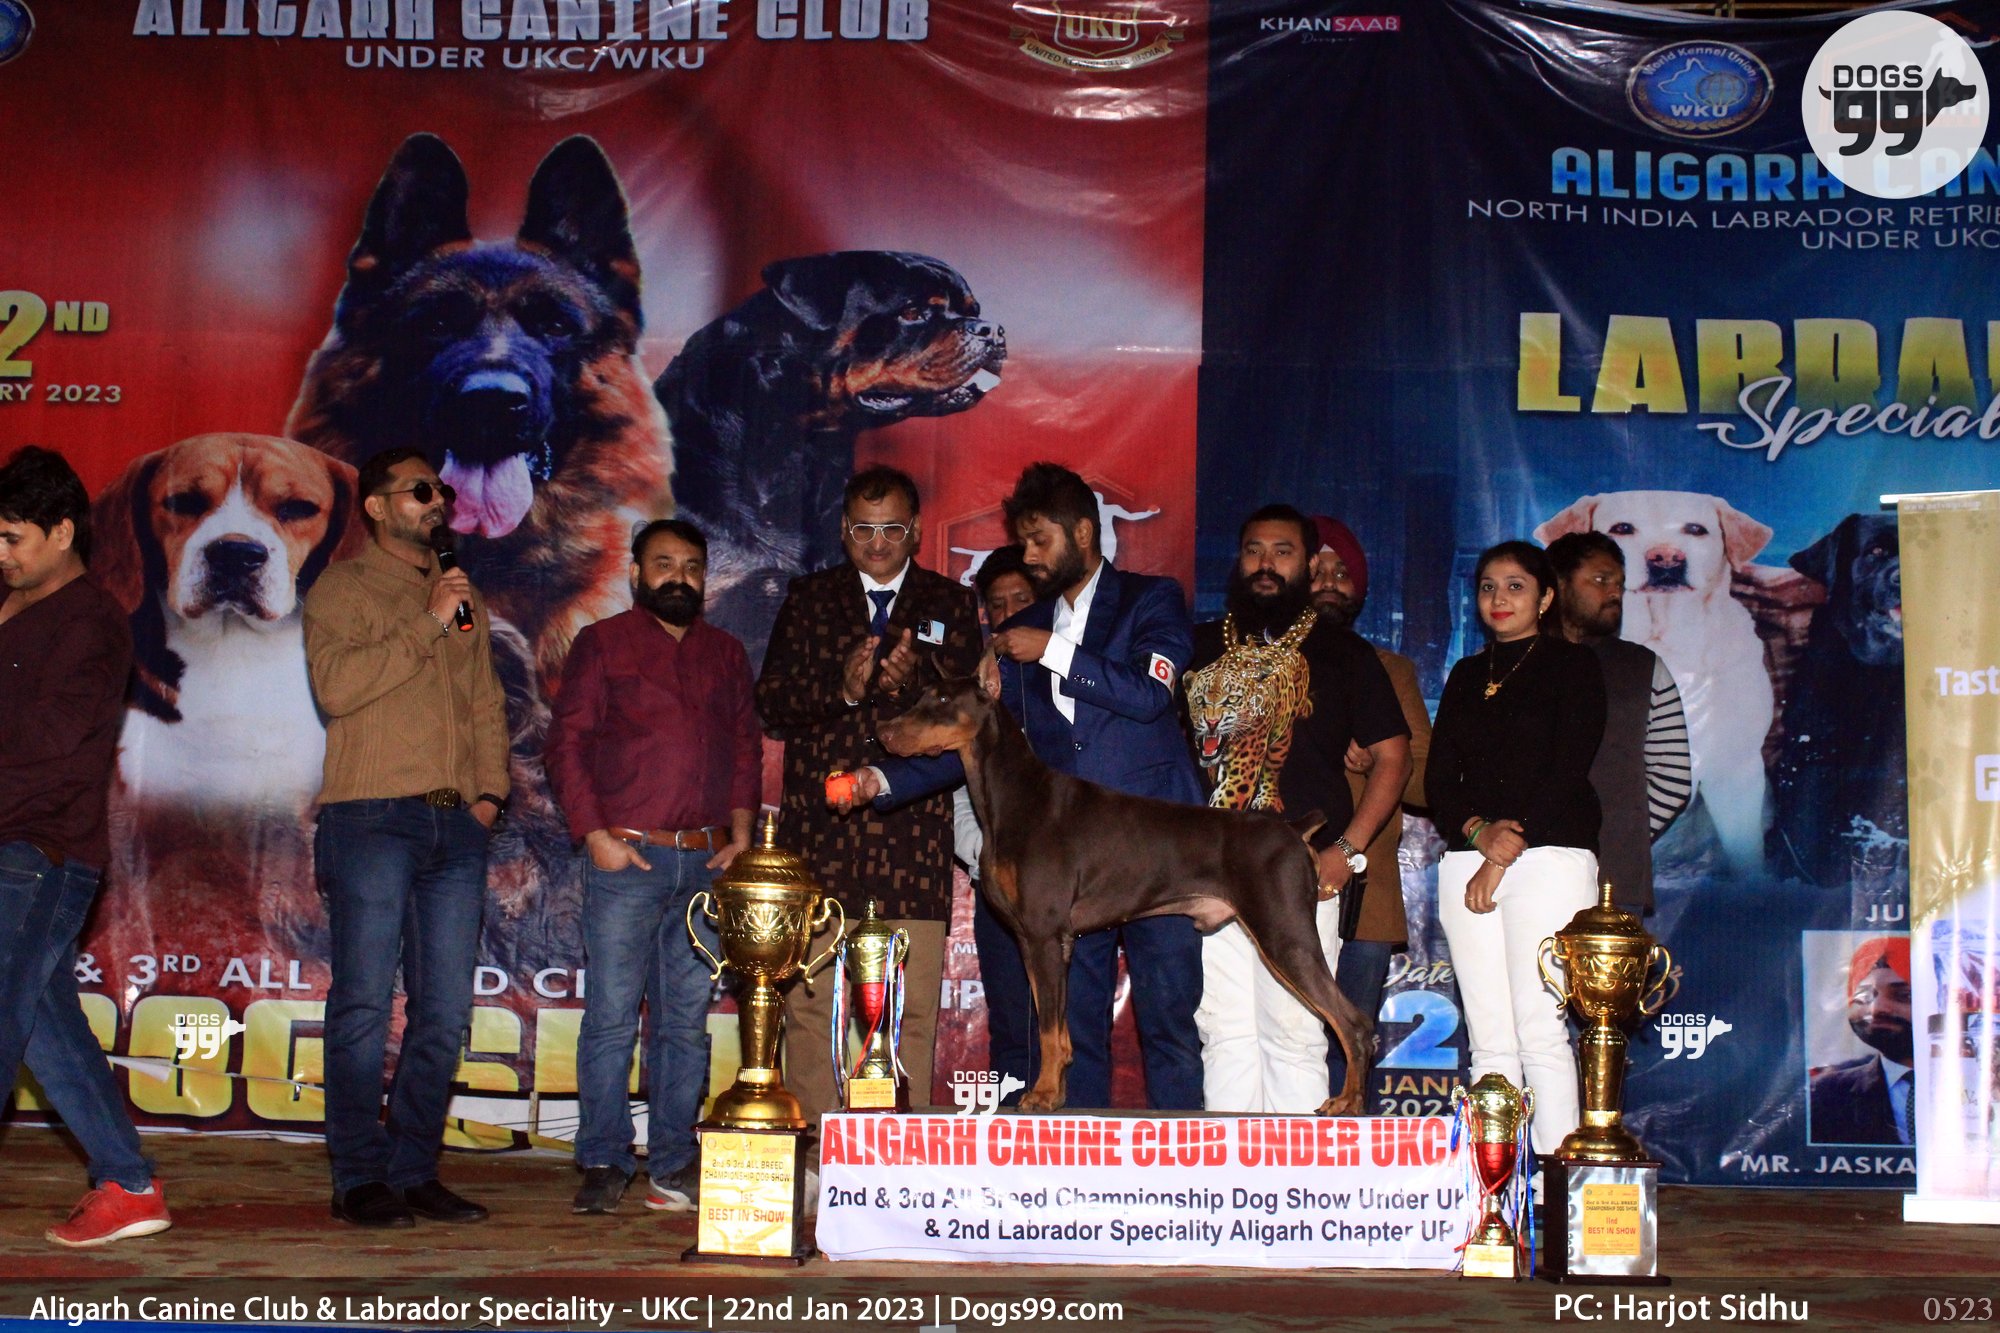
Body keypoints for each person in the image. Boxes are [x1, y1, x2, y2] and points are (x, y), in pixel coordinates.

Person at [848, 462, 1207, 1110]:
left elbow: (1150, 695)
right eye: (1024, 541)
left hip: (1158, 851)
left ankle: (1184, 1169)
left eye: (1040, 540)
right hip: (1066, 863)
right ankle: (1078, 1165)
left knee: (1170, 1030)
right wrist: (883, 776)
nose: (1030, 556)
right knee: (1077, 1034)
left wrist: (1053, 651)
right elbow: (977, 735)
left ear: (1083, 532)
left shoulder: (1151, 599)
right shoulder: (1019, 635)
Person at [303, 448, 510, 1228]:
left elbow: (484, 699)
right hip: (371, 818)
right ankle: (359, 1174)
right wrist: (427, 623)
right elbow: (338, 688)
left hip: (456, 826)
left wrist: (490, 794)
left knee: (445, 1011)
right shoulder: (342, 587)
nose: (438, 500)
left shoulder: (460, 595)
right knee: (363, 1002)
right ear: (378, 506)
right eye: (420, 490)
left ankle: (412, 1166)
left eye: (442, 490)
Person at [754, 467, 981, 1121]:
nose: (877, 543)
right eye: (863, 529)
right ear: (843, 529)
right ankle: (820, 1151)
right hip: (819, 837)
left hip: (912, 840)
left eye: (891, 529)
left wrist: (908, 688)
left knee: (909, 1013)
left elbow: (967, 716)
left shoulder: (949, 604)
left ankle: (899, 1154)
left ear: (915, 530)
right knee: (810, 1007)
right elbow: (771, 702)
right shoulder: (809, 598)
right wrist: (844, 690)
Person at [546, 519, 759, 1215]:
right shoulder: (603, 642)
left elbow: (745, 748)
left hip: (705, 863)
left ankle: (673, 1161)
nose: (679, 577)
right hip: (627, 858)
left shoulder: (725, 653)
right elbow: (568, 744)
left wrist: (740, 836)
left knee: (684, 1025)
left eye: (692, 566)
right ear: (636, 573)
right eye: (664, 564)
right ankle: (603, 1158)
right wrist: (595, 835)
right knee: (612, 1018)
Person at [0, 447, 172, 1248]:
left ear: (62, 531)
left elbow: (49, 746)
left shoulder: (91, 621)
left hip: (37, 850)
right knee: (42, 1022)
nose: (0, 554)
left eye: (12, 537)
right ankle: (128, 1183)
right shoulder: (9, 606)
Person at [1184, 505, 1410, 1112]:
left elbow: (1394, 759)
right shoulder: (1199, 645)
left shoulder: (1343, 652)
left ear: (1308, 565)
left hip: (1297, 865)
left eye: (1282, 552)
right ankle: (1232, 1170)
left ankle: (1298, 1172)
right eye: (1253, 550)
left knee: (1292, 1029)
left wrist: (1347, 851)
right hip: (1208, 865)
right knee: (1222, 1030)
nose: (1265, 564)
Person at [1427, 540, 1606, 1155]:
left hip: (1548, 857)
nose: (1499, 599)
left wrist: (1505, 846)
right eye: (1487, 587)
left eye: (1515, 586)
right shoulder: (1466, 675)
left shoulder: (1573, 666)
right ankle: (1493, 1191)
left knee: (1540, 1032)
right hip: (1467, 857)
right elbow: (1438, 781)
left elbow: (1568, 768)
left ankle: (1556, 1186)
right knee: (1489, 1040)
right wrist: (1479, 834)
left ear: (1546, 597)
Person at [1309, 516, 1431, 1099]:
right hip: (1273, 881)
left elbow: (1426, 781)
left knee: (1348, 1049)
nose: (1329, 583)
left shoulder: (1390, 670)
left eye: (1343, 573)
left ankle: (1348, 1154)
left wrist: (1377, 761)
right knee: (1270, 1039)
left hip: (1363, 891)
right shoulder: (1256, 668)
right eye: (1317, 570)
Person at [1545, 530, 1692, 915]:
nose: (1614, 592)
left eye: (1620, 584)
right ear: (1558, 585)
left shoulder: (1643, 667)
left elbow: (1674, 777)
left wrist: (1621, 834)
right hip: (1513, 874)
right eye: (1600, 579)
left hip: (1611, 881)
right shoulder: (1507, 664)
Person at [954, 545, 1039, 1099]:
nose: (1008, 614)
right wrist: (987, 860)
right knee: (1011, 1031)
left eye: (1022, 601)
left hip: (1072, 886)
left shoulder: (1071, 681)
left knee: (1071, 1028)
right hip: (998, 884)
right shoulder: (973, 691)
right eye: (998, 604)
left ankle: (1075, 1143)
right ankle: (1012, 1143)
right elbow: (956, 793)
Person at [1809, 936, 1914, 1146]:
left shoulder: (1980, 1083)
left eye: (1904, 996)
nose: (1877, 1009)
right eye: (1864, 997)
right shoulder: (1827, 1095)